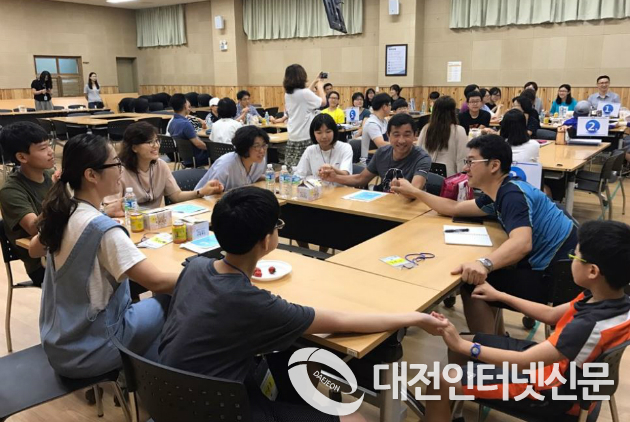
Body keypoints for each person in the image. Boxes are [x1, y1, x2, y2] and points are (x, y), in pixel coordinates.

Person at [158, 186, 448, 422]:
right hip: (218, 410)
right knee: (356, 419)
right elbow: (342, 321)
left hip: (168, 396)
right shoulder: (255, 305)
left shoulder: (195, 267)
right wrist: (414, 317)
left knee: (293, 360)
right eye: (277, 225)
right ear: (266, 241)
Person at [425, 220, 630, 422]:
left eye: (574, 256)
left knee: (441, 380)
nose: (571, 261)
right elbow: (551, 315)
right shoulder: (609, 299)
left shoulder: (587, 326)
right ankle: (453, 412)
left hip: (555, 394)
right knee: (463, 344)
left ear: (593, 271)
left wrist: (462, 346)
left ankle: (445, 403)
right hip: (562, 373)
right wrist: (500, 296)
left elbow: (524, 362)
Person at [390, 135, 578, 335]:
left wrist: (484, 263)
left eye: (471, 162)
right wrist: (416, 192)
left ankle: (487, 348)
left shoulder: (512, 196)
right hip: (560, 268)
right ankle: (498, 339)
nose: (465, 168)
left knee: (474, 286)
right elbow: (454, 207)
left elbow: (522, 243)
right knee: (489, 276)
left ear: (494, 165)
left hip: (560, 277)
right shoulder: (500, 192)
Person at [29, 134, 178, 378]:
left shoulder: (65, 212)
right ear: (91, 175)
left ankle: (142, 378)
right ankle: (153, 380)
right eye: (115, 163)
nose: (120, 169)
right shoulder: (103, 230)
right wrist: (202, 273)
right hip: (92, 350)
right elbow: (157, 282)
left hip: (61, 346)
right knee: (172, 298)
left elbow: (34, 249)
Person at [107, 122, 224, 211]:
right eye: (149, 142)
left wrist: (201, 192)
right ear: (134, 148)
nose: (156, 146)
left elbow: (176, 196)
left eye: (157, 141)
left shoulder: (160, 165)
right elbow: (110, 209)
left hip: (156, 222)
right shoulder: (118, 171)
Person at [0, 122, 55, 286]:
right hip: (42, 264)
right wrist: (58, 196)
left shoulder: (50, 174)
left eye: (49, 145)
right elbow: (33, 227)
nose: (51, 151)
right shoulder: (10, 190)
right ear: (22, 157)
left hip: (64, 249)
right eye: (43, 148)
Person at [322, 113, 431, 192]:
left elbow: (415, 191)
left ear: (415, 135)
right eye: (396, 135)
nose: (401, 140)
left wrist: (401, 187)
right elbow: (361, 179)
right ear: (388, 135)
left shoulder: (422, 158)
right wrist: (334, 178)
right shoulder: (382, 153)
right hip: (384, 205)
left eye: (407, 135)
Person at [271, 64, 326, 168]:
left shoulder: (288, 94)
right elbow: (323, 102)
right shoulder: (304, 93)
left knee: (292, 167)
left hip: (293, 135)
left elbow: (305, 94)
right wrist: (320, 87)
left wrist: (315, 81)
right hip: (305, 136)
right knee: (307, 168)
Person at [195, 126, 269, 191]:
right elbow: (210, 193)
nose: (262, 151)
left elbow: (250, 178)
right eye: (256, 146)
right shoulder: (225, 165)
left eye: (264, 145)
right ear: (245, 147)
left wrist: (268, 177)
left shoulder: (259, 160)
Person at [418, 96, 468, 177]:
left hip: (426, 176)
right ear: (453, 112)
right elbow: (462, 159)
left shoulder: (426, 129)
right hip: (450, 178)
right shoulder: (459, 130)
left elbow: (419, 153)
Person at [295, 114, 353, 180]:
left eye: (328, 132)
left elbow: (346, 175)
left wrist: (332, 169)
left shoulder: (345, 148)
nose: (324, 136)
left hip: (340, 186)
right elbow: (299, 175)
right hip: (317, 186)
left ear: (334, 131)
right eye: (319, 133)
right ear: (313, 134)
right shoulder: (310, 150)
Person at [166, 93, 209, 167]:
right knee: (219, 154)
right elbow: (198, 144)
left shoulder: (172, 122)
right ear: (185, 105)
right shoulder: (185, 124)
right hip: (197, 158)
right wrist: (212, 149)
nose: (190, 108)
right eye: (189, 106)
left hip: (184, 157)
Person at [360, 93, 391, 159]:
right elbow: (381, 145)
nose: (391, 107)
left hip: (382, 157)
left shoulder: (384, 121)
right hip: (370, 160)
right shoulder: (372, 124)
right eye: (390, 105)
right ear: (384, 107)